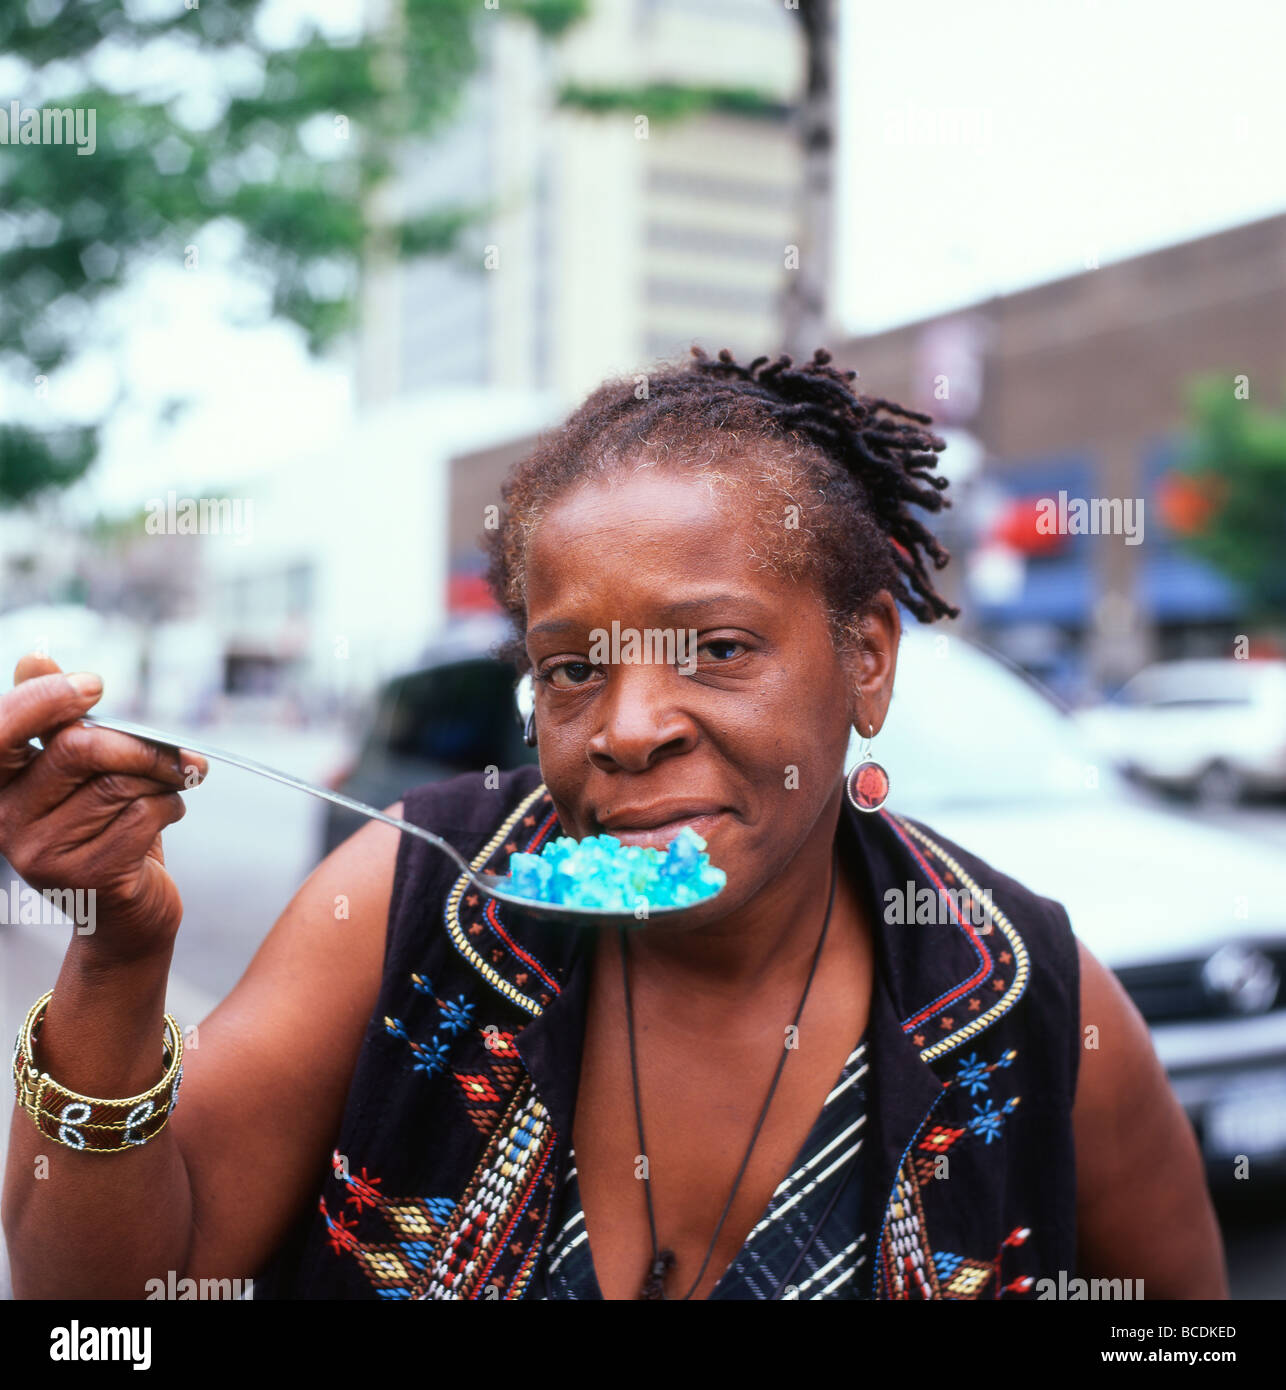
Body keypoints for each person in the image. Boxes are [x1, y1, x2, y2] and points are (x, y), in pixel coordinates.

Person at [2, 348, 1227, 1300]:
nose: (627, 725)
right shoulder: (417, 908)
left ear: (863, 659)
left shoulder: (1019, 992)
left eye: (717, 648)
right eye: (572, 669)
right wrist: (119, 950)